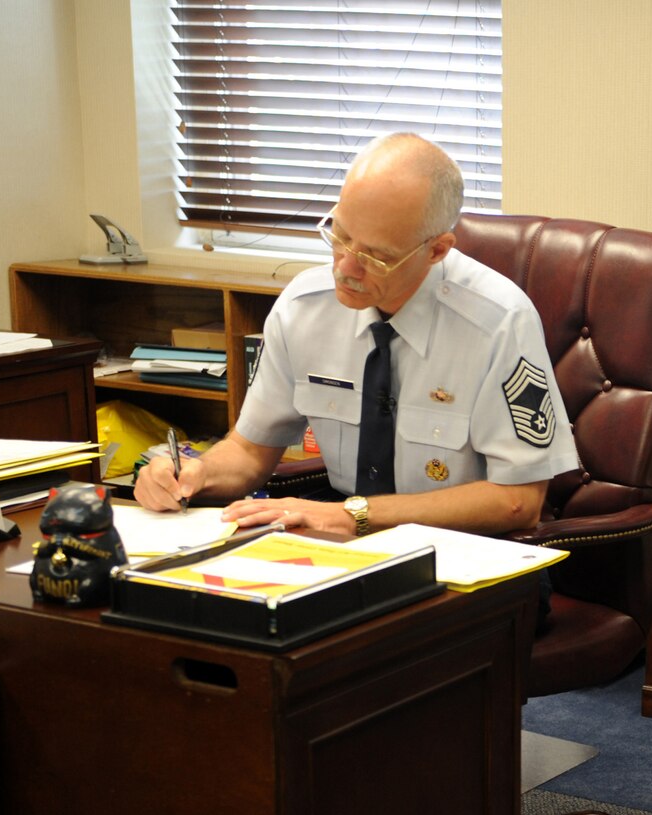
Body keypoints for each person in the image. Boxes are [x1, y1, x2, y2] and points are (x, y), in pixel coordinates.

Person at [134, 133, 578, 539]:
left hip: (469, 554)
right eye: (340, 236)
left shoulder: (499, 322)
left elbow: (517, 503)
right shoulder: (304, 308)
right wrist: (194, 474)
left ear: (437, 250)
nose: (345, 268)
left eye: (376, 256)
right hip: (344, 537)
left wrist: (354, 514)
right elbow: (251, 452)